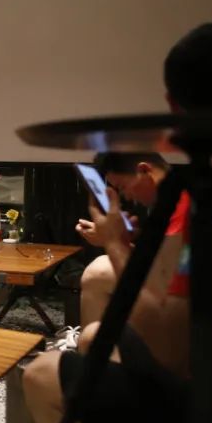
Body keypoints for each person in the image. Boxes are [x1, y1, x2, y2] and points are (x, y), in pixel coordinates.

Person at [24, 22, 212, 423]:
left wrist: (116, 243)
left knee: (43, 377)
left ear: (175, 107)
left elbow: (170, 351)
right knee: (94, 337)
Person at [72, 153, 190, 362]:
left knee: (96, 273)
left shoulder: (184, 205)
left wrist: (113, 241)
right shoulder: (173, 197)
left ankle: (98, 360)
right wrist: (126, 237)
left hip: (184, 300)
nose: (126, 197)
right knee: (98, 272)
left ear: (144, 170)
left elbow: (168, 273)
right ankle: (97, 351)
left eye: (123, 187)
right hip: (176, 278)